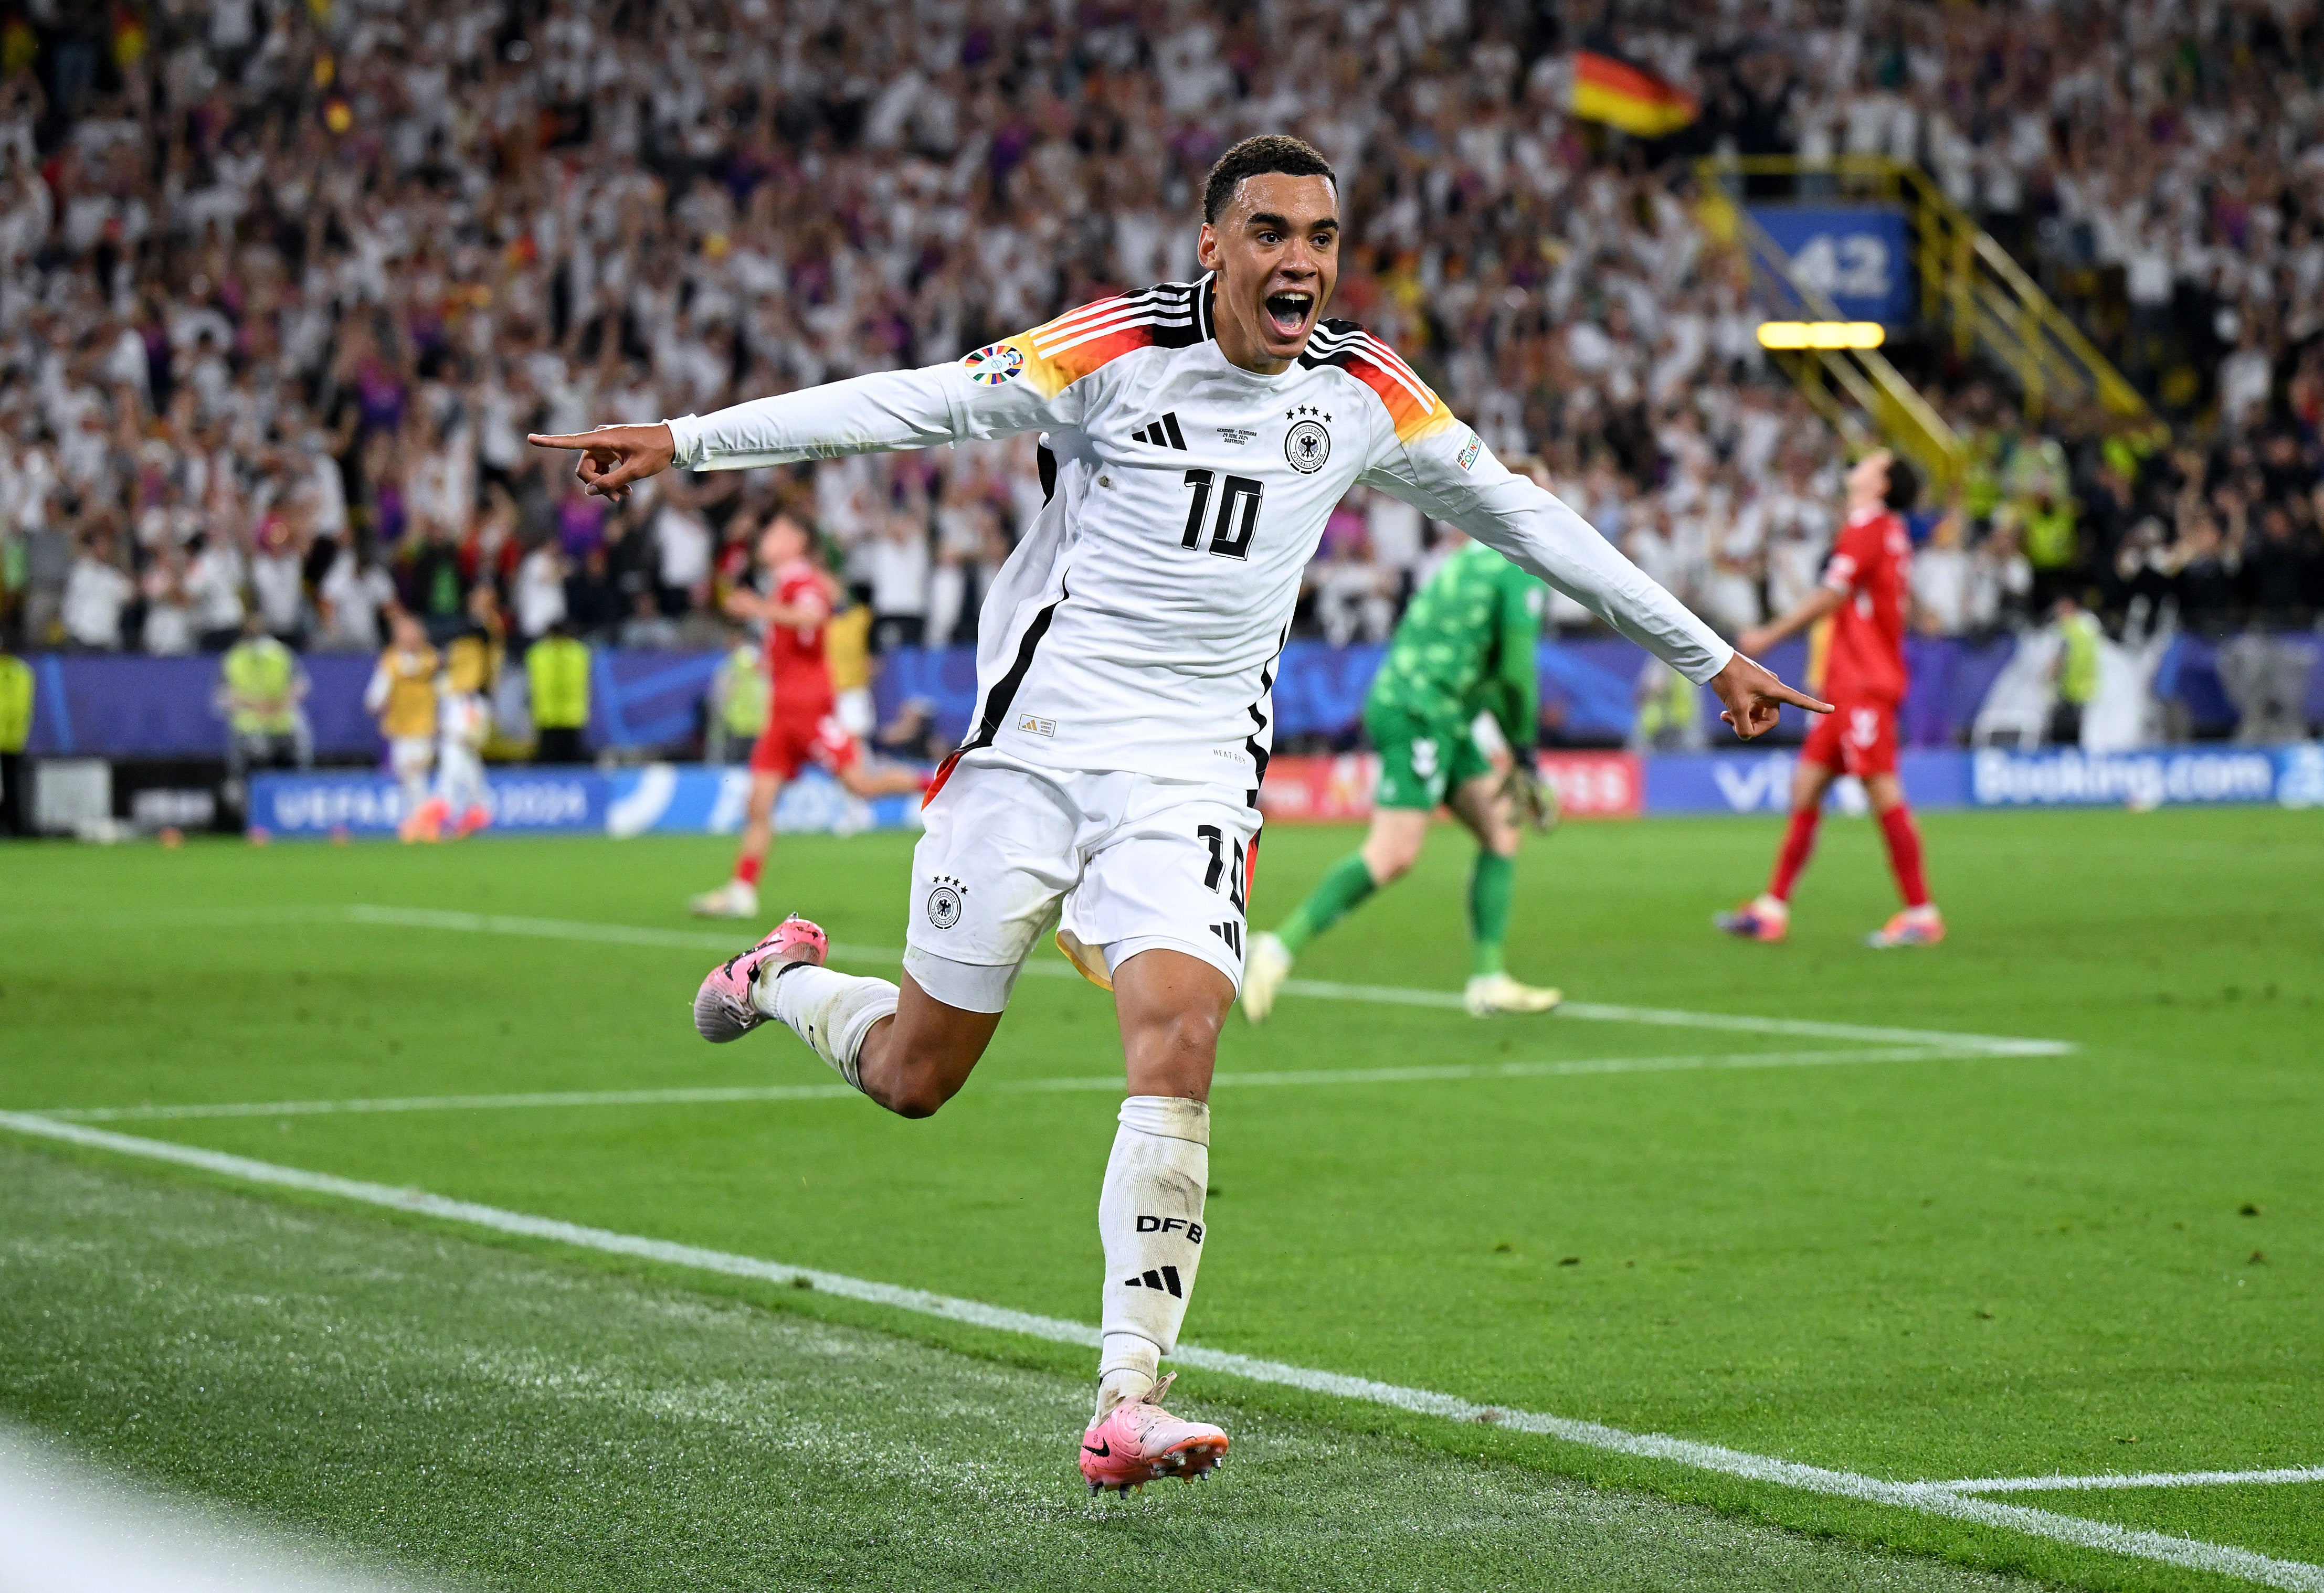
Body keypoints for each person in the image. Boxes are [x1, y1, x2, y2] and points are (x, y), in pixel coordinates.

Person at [531, 135, 1820, 1494]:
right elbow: (917, 403)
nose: (1300, 262)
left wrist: (1708, 655)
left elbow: (1523, 516)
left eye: (1321, 237)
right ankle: (782, 978)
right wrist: (687, 441)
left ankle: (1126, 1397)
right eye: (1270, 233)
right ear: (1212, 245)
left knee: (1182, 1036)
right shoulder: (1115, 348)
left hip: (1193, 775)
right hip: (1033, 753)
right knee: (916, 1074)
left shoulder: (1363, 390)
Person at [1242, 531, 1562, 1023]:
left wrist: (1519, 753)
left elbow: (1492, 675)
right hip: (1423, 713)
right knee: (1393, 853)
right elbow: (1516, 674)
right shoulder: (1519, 568)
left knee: (1501, 829)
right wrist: (1524, 753)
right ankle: (1276, 949)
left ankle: (1489, 979)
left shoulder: (1473, 559)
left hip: (1438, 711)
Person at [1717, 450, 1941, 950]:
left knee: (1882, 790)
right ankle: (1772, 909)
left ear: (1882, 484)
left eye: (1872, 463)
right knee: (1807, 787)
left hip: (1864, 685)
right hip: (1846, 685)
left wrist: (1767, 637)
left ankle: (1922, 913)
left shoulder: (1869, 527)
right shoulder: (1885, 531)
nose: (1858, 465)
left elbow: (1832, 595)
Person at [686, 513, 928, 919]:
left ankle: (942, 782)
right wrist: (769, 659)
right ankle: (742, 891)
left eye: (776, 530)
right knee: (758, 803)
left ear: (797, 541)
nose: (767, 537)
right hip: (782, 714)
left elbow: (815, 615)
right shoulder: (783, 584)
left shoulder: (802, 582)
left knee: (862, 785)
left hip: (809, 709)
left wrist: (758, 608)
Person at [217, 611, 313, 813]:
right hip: (249, 722)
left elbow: (301, 686)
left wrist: (278, 705)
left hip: (281, 719)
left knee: (301, 729)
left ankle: (302, 792)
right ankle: (240, 801)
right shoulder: (235, 657)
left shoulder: (280, 654)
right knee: (237, 738)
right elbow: (225, 696)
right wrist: (257, 706)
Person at [364, 609, 439, 841]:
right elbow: (374, 699)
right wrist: (379, 704)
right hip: (401, 730)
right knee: (409, 777)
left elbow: (442, 690)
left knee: (415, 773)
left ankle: (423, 822)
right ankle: (421, 821)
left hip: (425, 729)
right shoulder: (391, 663)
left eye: (412, 631)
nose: (409, 637)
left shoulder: (431, 660)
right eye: (404, 632)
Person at [525, 620, 590, 764]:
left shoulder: (538, 653)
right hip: (572, 716)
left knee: (548, 763)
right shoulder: (579, 652)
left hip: (547, 716)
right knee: (573, 763)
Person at [0, 634, 31, 836]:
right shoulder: (21, 671)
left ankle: (14, 826)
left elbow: (18, 708)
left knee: (11, 786)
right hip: (11, 738)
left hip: (10, 740)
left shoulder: (19, 671)